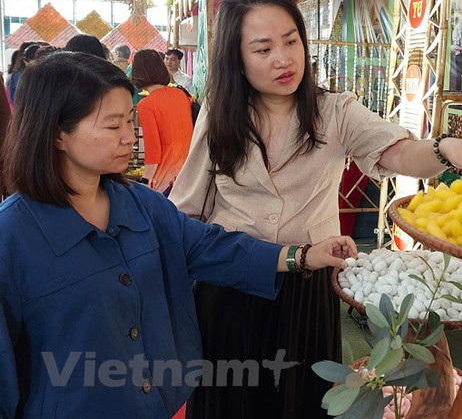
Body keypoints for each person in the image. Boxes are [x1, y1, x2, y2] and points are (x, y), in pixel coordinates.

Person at [169, 0, 462, 418]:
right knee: (231, 403)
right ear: (236, 61)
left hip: (306, 286)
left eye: (291, 41)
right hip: (232, 284)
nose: (283, 58)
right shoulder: (218, 115)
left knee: (298, 400)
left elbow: (397, 151)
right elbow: (187, 208)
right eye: (263, 49)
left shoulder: (334, 111)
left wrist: (445, 148)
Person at [0, 51, 357, 418]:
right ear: (58, 133)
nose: (130, 137)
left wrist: (303, 256)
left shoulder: (141, 205)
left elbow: (211, 247)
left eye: (129, 120)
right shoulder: (12, 238)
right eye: (112, 125)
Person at [130, 49, 193, 195]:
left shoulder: (146, 105)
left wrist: (145, 181)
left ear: (138, 72)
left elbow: (153, 149)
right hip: (189, 171)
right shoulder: (181, 95)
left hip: (165, 175)